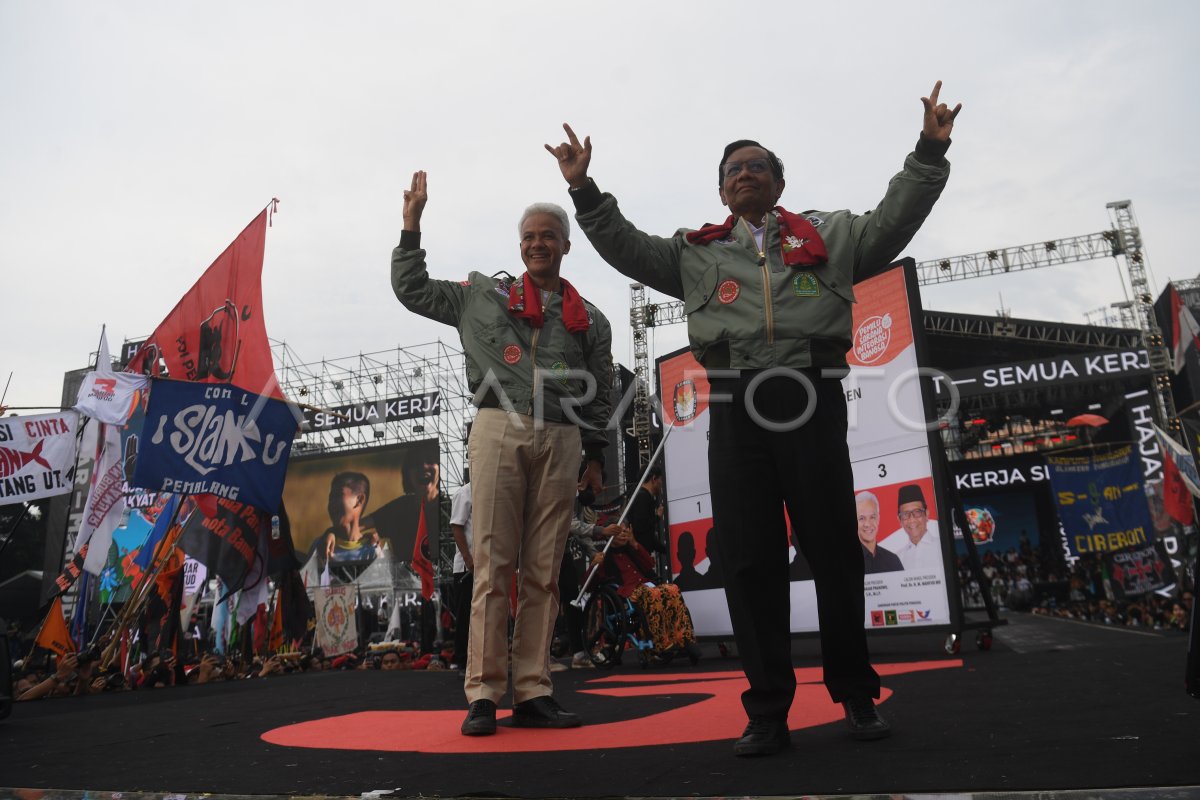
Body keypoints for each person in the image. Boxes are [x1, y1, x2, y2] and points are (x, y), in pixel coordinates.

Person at [547, 80, 960, 756]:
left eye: (756, 166)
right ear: (721, 192)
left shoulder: (834, 234)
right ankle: (767, 708)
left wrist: (929, 149)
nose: (745, 174)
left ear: (779, 181)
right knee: (749, 560)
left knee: (832, 548)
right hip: (735, 404)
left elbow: (896, 217)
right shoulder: (696, 251)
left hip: (810, 394)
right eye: (733, 169)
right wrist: (585, 191)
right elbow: (625, 246)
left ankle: (856, 695)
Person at [391, 171, 614, 737]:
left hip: (562, 435)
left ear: (566, 245)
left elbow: (603, 389)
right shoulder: (479, 295)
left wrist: (595, 452)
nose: (538, 244)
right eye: (529, 237)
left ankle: (535, 689)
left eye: (548, 236)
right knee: (492, 566)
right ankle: (484, 693)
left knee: (545, 571)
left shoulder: (590, 319)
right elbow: (412, 290)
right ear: (520, 247)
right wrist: (412, 224)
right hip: (497, 426)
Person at [880, 484, 944, 573]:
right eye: (906, 514)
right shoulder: (897, 558)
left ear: (927, 514)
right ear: (900, 520)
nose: (912, 519)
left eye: (917, 512)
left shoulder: (943, 547)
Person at [449, 479, 474, 670]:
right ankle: (462, 659)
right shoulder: (464, 493)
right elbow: (456, 527)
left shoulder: (491, 493)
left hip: (487, 565)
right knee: (465, 614)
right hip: (467, 568)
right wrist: (468, 558)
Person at [627, 466, 666, 567]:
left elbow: (646, 534)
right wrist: (657, 517)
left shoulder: (641, 496)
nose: (661, 484)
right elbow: (640, 526)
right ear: (654, 479)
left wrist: (666, 549)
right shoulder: (642, 497)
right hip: (638, 556)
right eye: (660, 480)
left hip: (640, 553)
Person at [856, 491, 902, 574]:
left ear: (878, 519)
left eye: (872, 517)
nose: (867, 524)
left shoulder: (893, 560)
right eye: (861, 518)